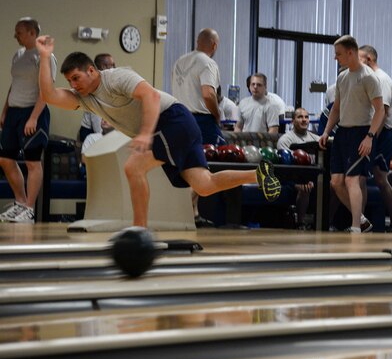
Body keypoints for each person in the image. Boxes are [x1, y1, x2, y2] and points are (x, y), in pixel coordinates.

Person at [35, 36, 280, 228]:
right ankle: (257, 175)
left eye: (76, 78)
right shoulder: (85, 99)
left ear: (91, 70)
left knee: (133, 167)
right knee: (204, 186)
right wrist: (45, 57)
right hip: (182, 126)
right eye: (70, 82)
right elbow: (49, 95)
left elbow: (149, 95)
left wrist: (144, 133)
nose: (73, 85)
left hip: (173, 119)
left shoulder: (116, 77)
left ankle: (139, 230)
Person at [319, 35, 385, 234]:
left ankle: (356, 226)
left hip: (360, 133)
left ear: (350, 52)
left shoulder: (369, 78)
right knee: (336, 182)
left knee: (351, 180)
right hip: (342, 134)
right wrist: (326, 131)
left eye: (338, 54)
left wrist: (370, 136)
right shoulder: (342, 77)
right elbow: (337, 109)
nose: (335, 58)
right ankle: (363, 220)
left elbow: (380, 110)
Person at [0, 18, 57, 224]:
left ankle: (30, 208)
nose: (16, 35)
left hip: (33, 113)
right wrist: (5, 110)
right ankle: (21, 203)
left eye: (20, 32)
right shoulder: (18, 54)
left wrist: (33, 117)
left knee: (33, 162)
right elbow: (15, 84)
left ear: (32, 33)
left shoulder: (45, 57)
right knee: (5, 159)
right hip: (13, 113)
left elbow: (46, 89)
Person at [171, 27, 224, 228]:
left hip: (179, 119)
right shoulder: (207, 63)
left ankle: (193, 213)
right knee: (212, 161)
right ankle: (184, 208)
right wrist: (217, 115)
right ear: (214, 45)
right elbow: (208, 94)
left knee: (190, 166)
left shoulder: (180, 61)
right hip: (201, 121)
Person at [359, 44, 392, 233]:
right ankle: (359, 222)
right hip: (373, 132)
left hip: (382, 133)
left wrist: (371, 138)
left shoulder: (381, 79)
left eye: (359, 58)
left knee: (379, 178)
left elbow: (382, 112)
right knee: (360, 177)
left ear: (369, 59)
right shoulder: (369, 79)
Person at [277, 107, 320, 230]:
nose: (304, 120)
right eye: (300, 117)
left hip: (314, 176)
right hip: (290, 177)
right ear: (292, 121)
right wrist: (297, 183)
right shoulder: (285, 140)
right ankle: (300, 223)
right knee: (305, 186)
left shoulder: (316, 139)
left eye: (306, 117)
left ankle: (325, 223)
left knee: (333, 186)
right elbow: (285, 166)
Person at [78, 53, 115, 141]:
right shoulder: (95, 90)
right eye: (112, 65)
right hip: (90, 134)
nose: (115, 67)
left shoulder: (110, 85)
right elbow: (99, 129)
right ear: (103, 67)